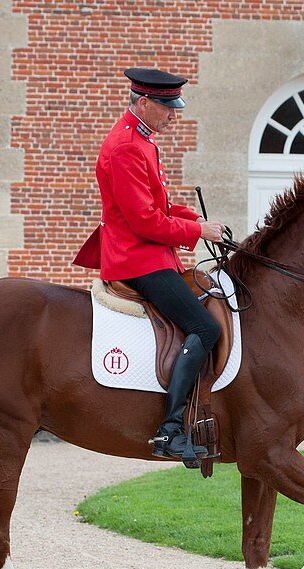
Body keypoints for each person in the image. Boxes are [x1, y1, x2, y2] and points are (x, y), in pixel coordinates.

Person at [73, 68, 225, 466]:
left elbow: (158, 205)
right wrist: (196, 229)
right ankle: (171, 429)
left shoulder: (142, 139)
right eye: (167, 107)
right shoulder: (125, 146)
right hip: (137, 258)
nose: (173, 114)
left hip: (153, 254)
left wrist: (200, 222)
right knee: (205, 326)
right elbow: (144, 221)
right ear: (143, 103)